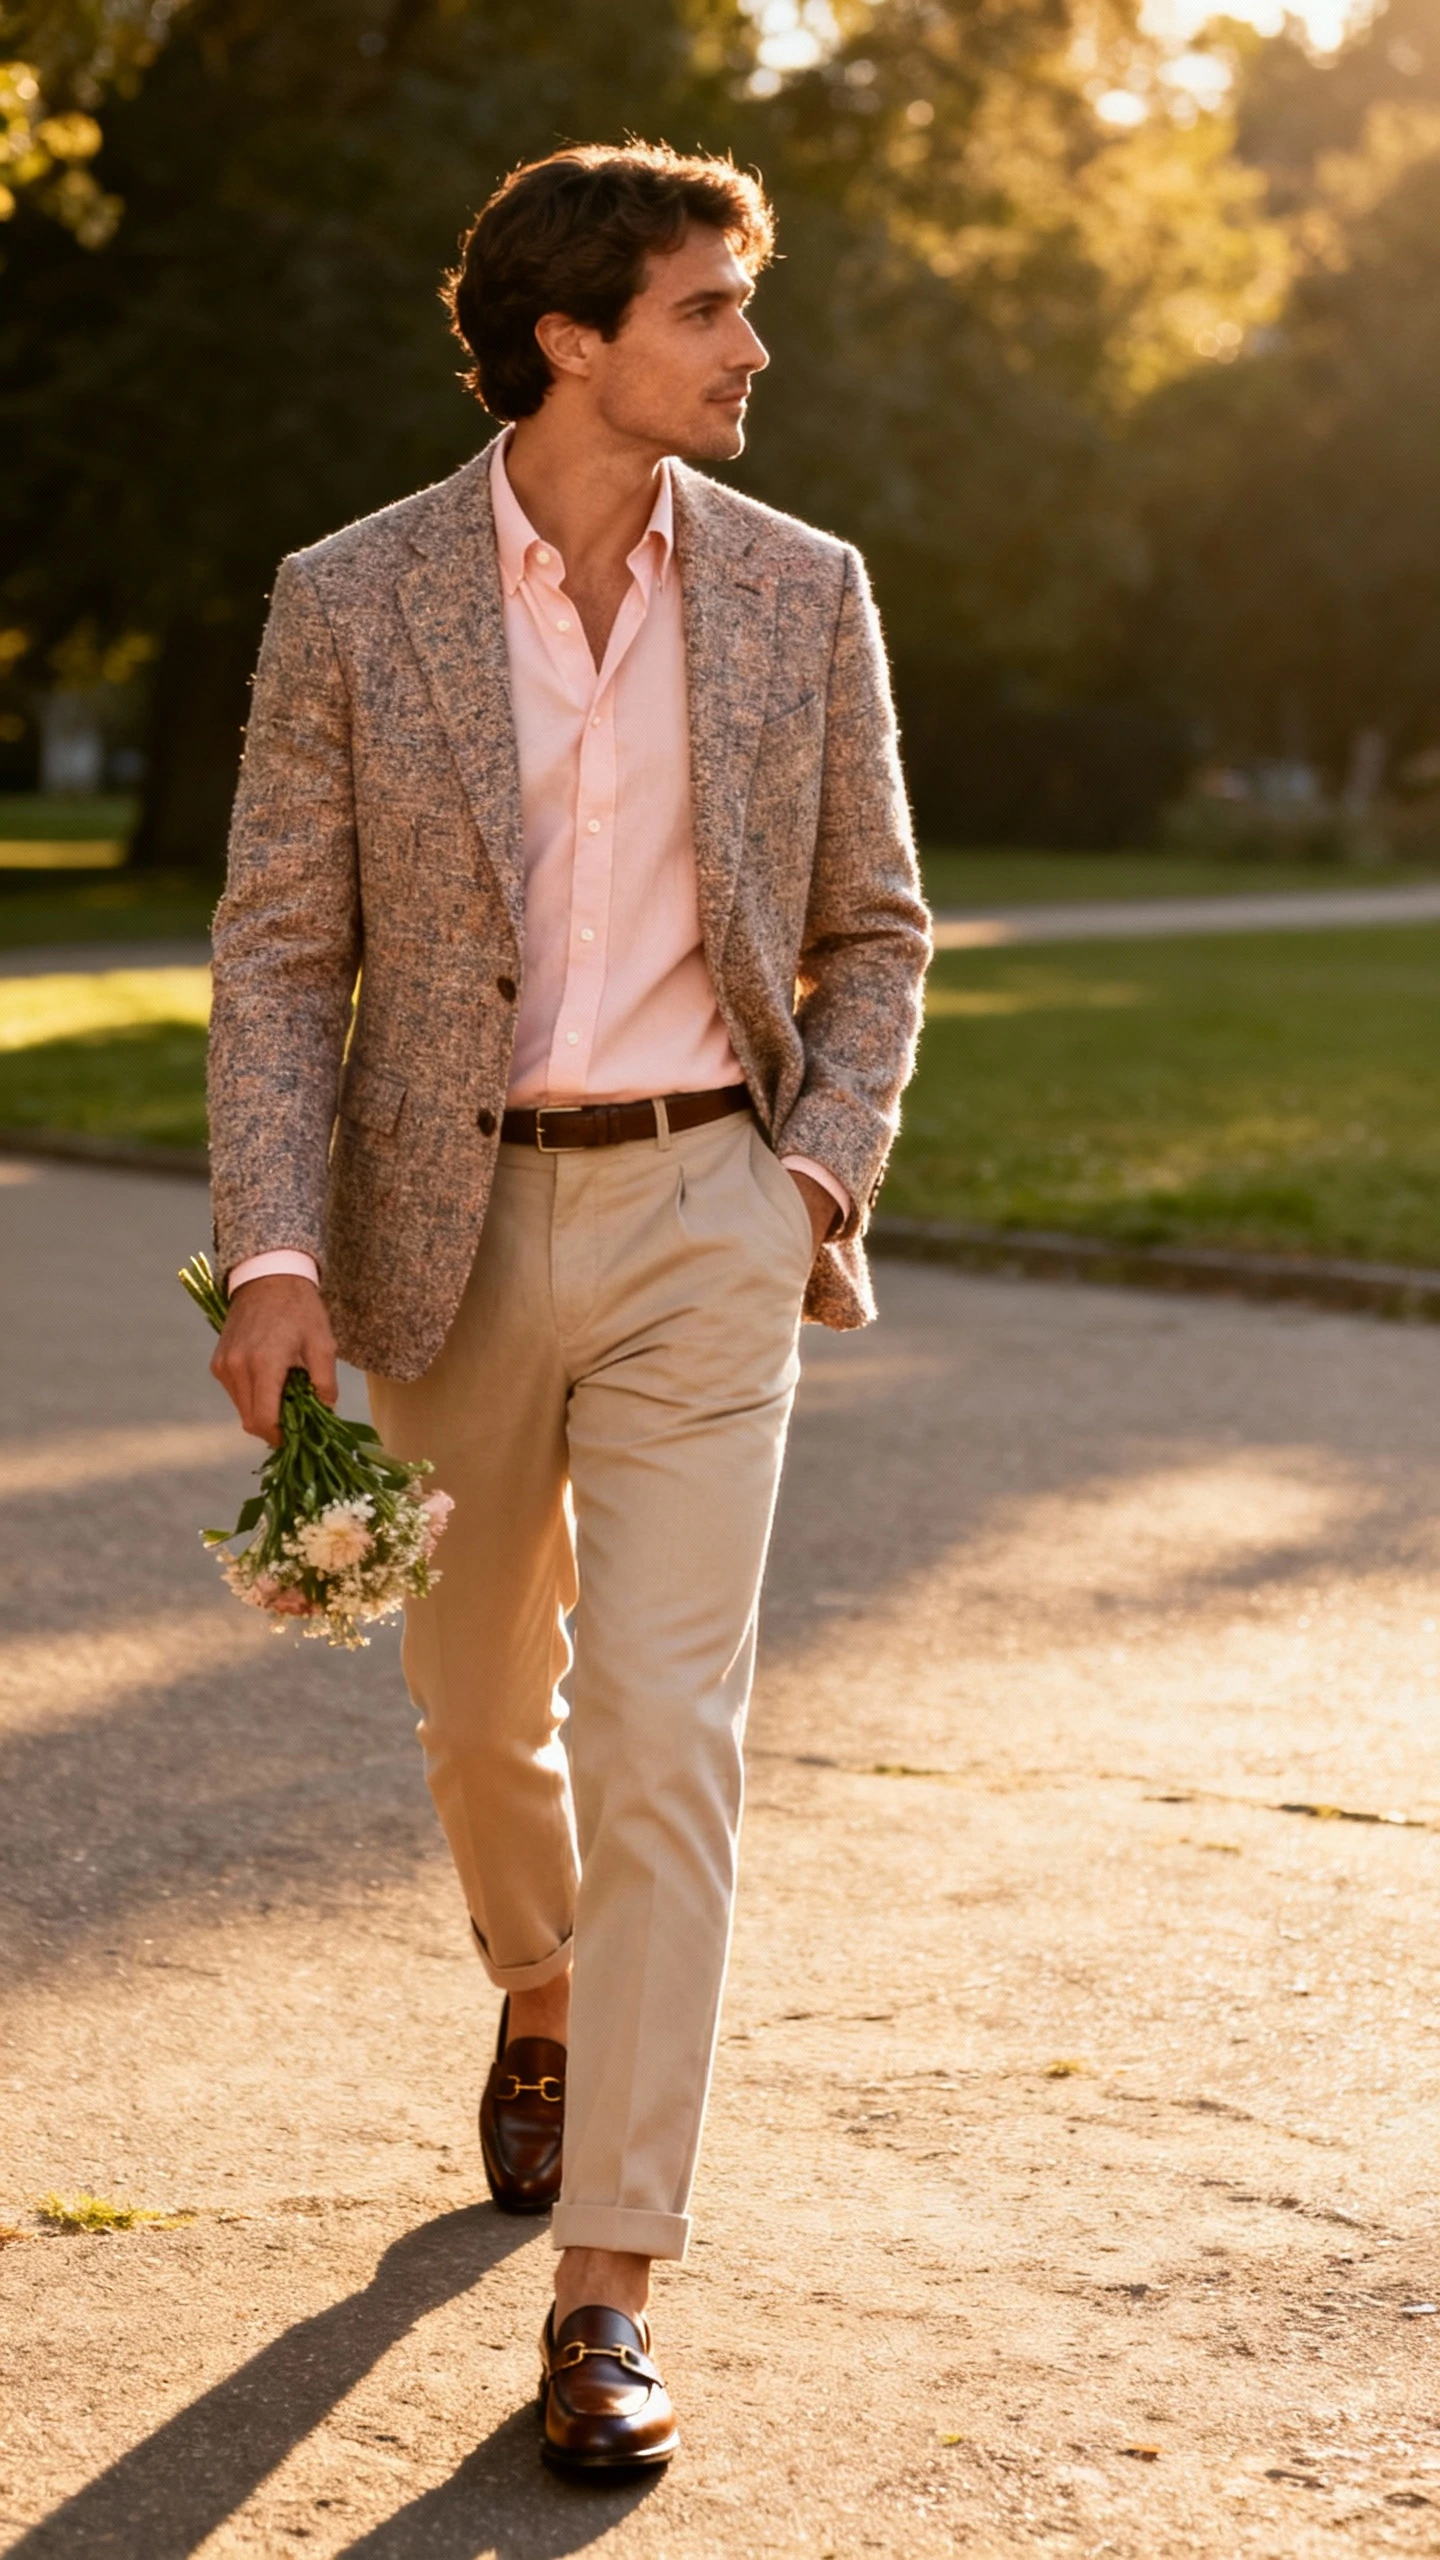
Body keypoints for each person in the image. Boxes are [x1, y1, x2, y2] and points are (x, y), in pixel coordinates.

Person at [206, 140, 930, 2476]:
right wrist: (284, 1247)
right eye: (711, 306)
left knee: (665, 1730)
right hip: (448, 1222)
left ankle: (608, 2279)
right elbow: (279, 952)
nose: (751, 344)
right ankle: (540, 1976)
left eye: (746, 303)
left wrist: (812, 1165)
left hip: (714, 1202)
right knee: (474, 1696)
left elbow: (881, 928)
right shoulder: (354, 597)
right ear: (569, 338)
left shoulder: (808, 593)